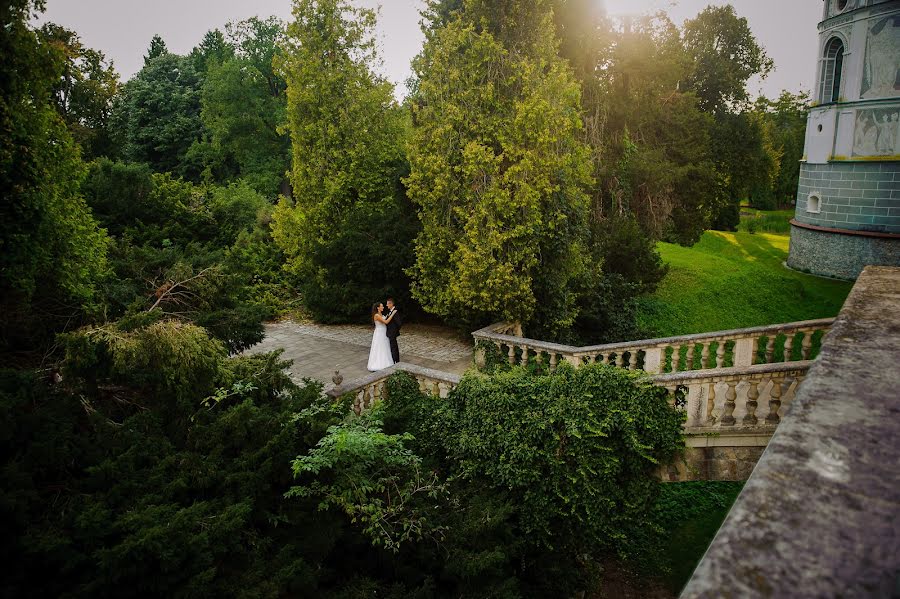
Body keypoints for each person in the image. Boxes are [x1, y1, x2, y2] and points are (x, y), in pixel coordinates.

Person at [367, 302, 396, 371]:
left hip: (383, 332)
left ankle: (386, 361)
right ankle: (379, 363)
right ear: (378, 308)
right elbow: (386, 322)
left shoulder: (380, 314)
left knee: (385, 346)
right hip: (379, 333)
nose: (383, 307)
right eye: (382, 306)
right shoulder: (376, 315)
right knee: (380, 347)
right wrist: (392, 314)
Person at [385, 297, 402, 364]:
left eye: (387, 304)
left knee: (394, 347)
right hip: (390, 332)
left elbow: (399, 323)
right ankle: (395, 360)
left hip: (392, 333)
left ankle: (396, 361)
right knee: (393, 346)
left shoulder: (395, 312)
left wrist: (394, 331)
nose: (387, 305)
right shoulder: (390, 312)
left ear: (391, 304)